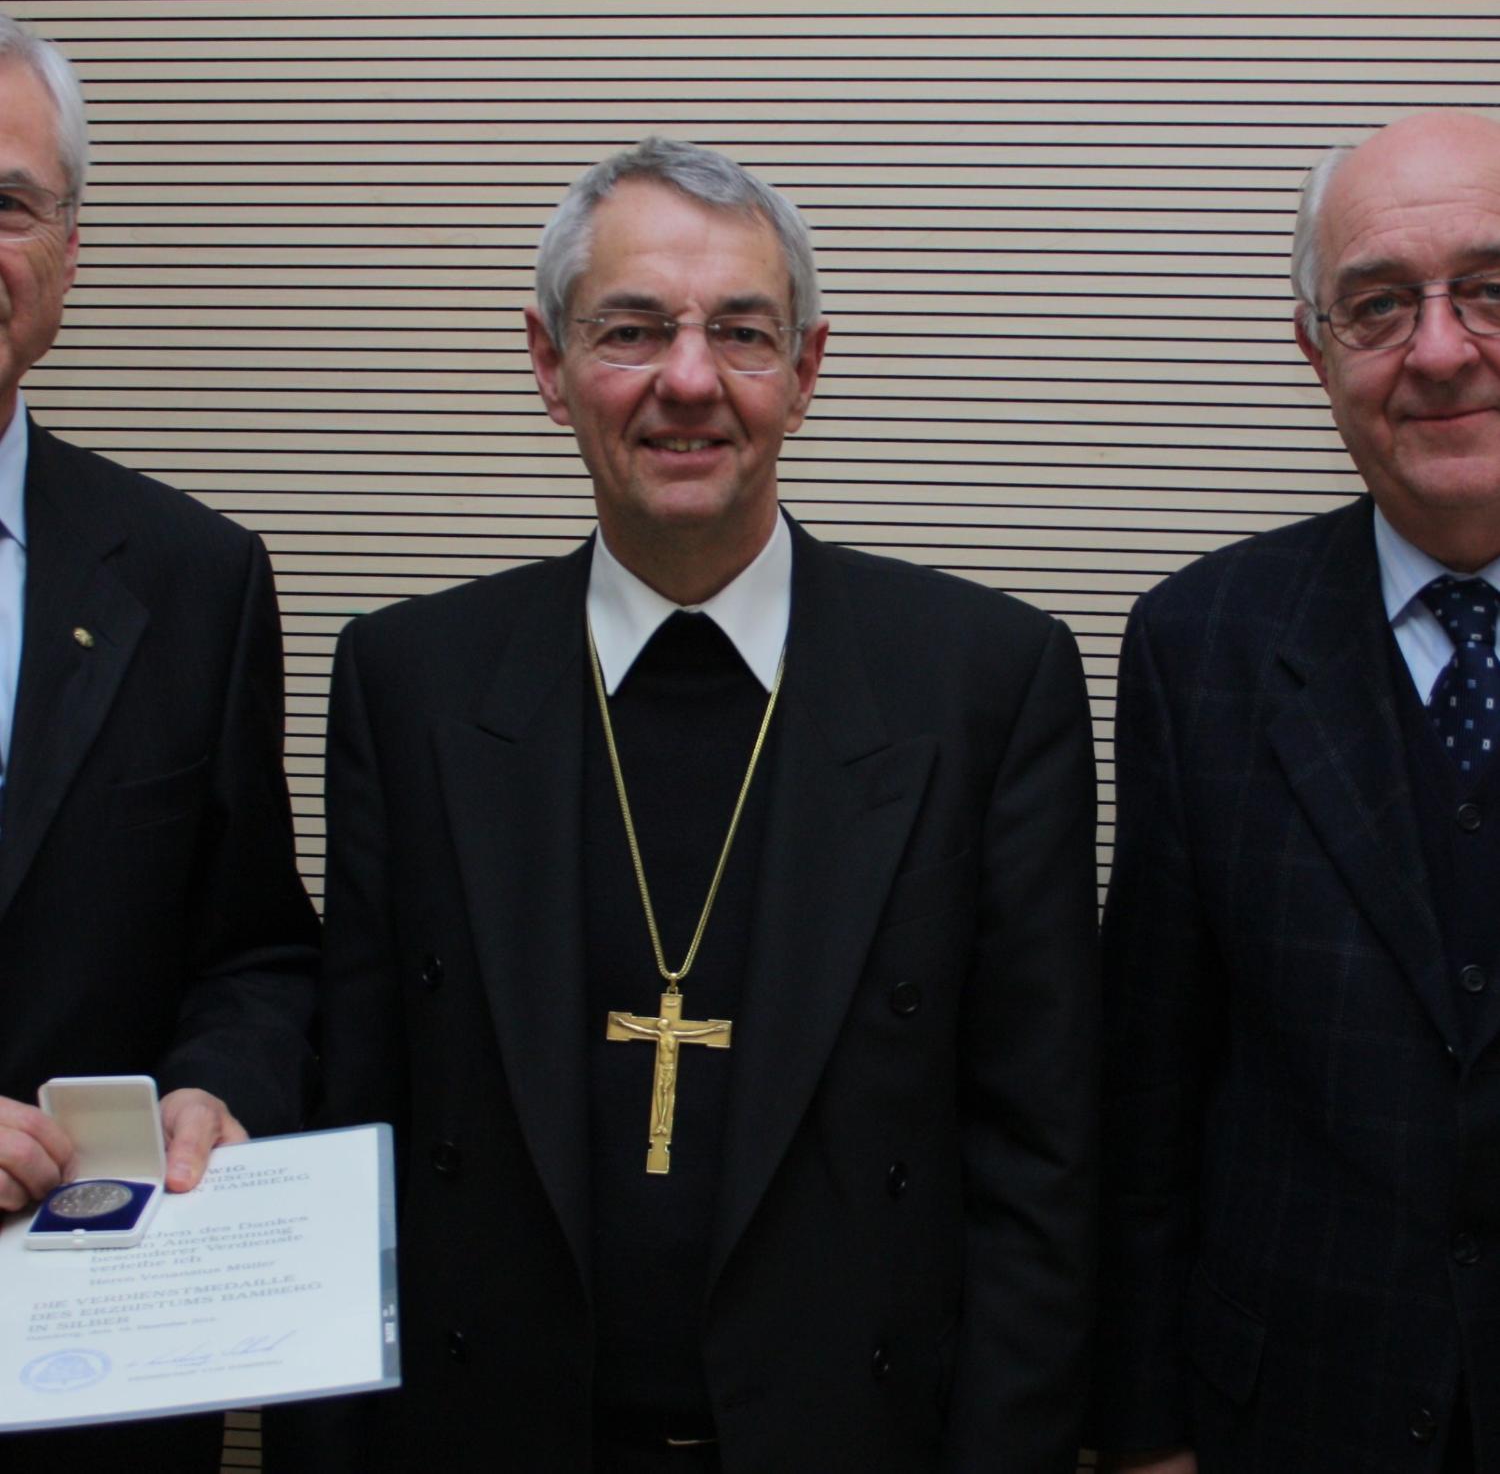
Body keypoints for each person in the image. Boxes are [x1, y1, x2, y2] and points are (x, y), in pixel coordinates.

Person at [310, 136, 1098, 1471]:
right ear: (549, 367)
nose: (689, 382)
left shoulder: (986, 682)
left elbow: (1042, 1164)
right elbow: (353, 1128)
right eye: (632, 330)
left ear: (808, 367)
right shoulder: (410, 681)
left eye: (741, 332)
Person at [1091, 110, 1500, 1474]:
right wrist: (1142, 1437)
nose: (1440, 351)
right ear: (1315, 351)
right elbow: (1147, 1096)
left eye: (1490, 290)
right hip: (1292, 1418)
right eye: (1379, 306)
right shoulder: (1200, 644)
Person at [0, 15, 318, 1473]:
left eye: (5, 202)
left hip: (102, 1373)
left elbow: (253, 947)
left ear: (68, 247)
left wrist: (219, 1091)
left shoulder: (193, 579)